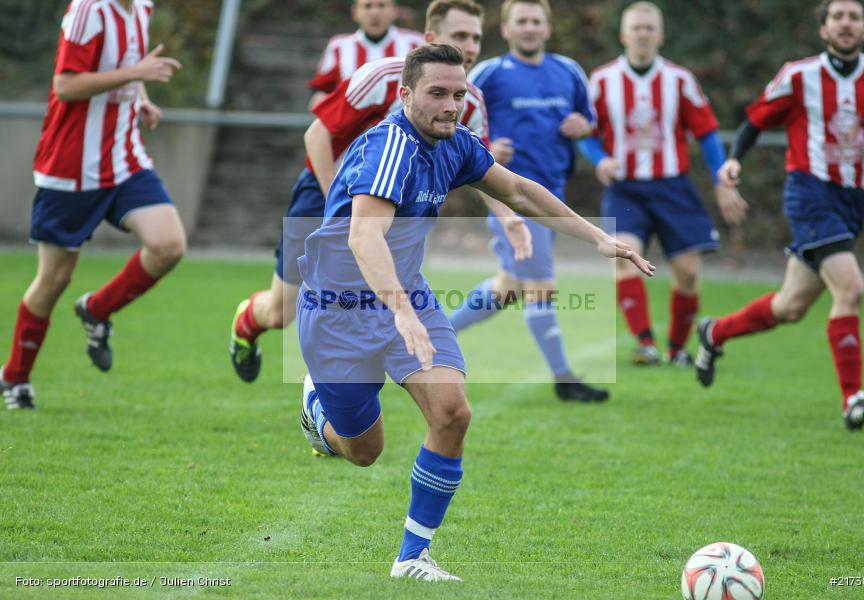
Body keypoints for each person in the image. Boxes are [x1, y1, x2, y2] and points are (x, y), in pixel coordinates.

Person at [295, 44, 654, 580]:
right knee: (364, 451)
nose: (451, 104)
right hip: (338, 314)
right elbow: (364, 236)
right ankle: (319, 413)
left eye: (459, 94)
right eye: (437, 93)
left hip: (406, 296)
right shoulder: (387, 147)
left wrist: (599, 237)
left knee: (453, 413)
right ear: (405, 95)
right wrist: (402, 313)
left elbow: (519, 190)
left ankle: (411, 558)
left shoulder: (457, 143)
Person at [229, 0, 531, 383]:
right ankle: (246, 324)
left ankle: (338, 403)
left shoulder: (467, 100)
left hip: (389, 207)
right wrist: (337, 209)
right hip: (325, 193)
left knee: (379, 300)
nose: (469, 47)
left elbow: (480, 170)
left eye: (475, 37)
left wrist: (507, 216)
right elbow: (317, 134)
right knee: (280, 313)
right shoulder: (380, 76)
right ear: (430, 40)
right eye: (459, 36)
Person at [695, 0, 864, 431]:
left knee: (790, 306)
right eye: (837, 17)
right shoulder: (799, 75)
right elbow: (754, 120)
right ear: (823, 29)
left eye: (854, 17)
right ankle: (853, 400)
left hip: (852, 200)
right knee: (852, 289)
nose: (846, 24)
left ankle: (714, 333)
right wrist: (734, 160)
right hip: (809, 193)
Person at [1, 0, 185, 410]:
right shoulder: (88, 10)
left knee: (169, 245)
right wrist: (137, 73)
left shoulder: (141, 8)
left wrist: (141, 98)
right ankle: (15, 377)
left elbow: (127, 65)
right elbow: (66, 84)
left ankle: (97, 310)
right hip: (70, 169)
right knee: (54, 280)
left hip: (124, 160)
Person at [449, 0, 608, 402]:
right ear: (505, 29)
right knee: (541, 286)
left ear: (547, 28)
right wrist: (486, 148)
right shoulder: (487, 74)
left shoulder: (569, 71)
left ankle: (436, 337)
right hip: (513, 198)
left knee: (510, 286)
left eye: (536, 21)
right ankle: (565, 379)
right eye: (521, 21)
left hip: (554, 195)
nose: (529, 28)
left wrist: (583, 126)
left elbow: (589, 122)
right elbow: (457, 123)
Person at [578, 1, 747, 367]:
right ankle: (645, 344)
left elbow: (707, 133)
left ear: (660, 36)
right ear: (623, 35)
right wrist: (600, 159)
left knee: (688, 272)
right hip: (626, 190)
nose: (642, 33)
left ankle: (676, 349)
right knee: (622, 255)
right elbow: (585, 134)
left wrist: (722, 181)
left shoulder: (680, 81)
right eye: (636, 27)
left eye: (649, 28)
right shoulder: (602, 81)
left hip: (673, 188)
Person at [307, 0, 424, 110]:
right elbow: (320, 90)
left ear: (394, 11)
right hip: (353, 128)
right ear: (355, 12)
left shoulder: (416, 43)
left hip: (403, 128)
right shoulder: (338, 47)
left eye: (382, 5)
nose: (375, 13)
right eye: (367, 6)